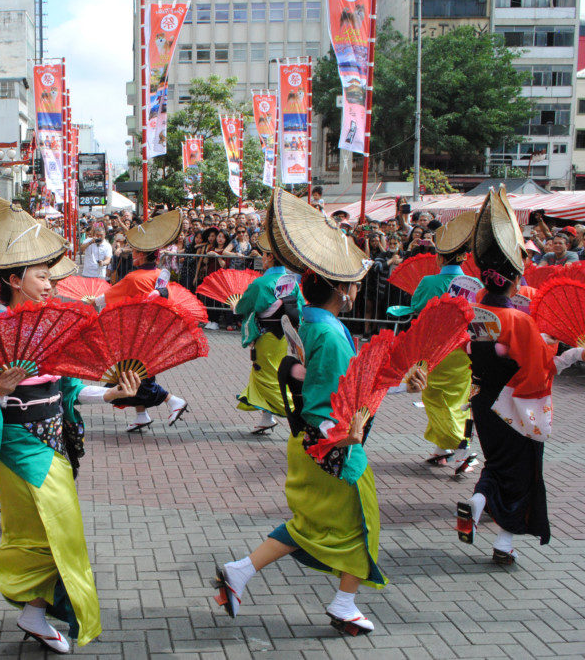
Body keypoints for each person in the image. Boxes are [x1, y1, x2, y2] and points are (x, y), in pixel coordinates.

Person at [215, 189, 426, 636]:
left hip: (306, 442)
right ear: (340, 290)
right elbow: (332, 395)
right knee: (360, 522)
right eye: (351, 284)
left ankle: (240, 572)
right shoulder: (328, 333)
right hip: (330, 444)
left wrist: (396, 376)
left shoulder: (308, 319)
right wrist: (345, 435)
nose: (355, 291)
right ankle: (345, 603)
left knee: (310, 524)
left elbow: (300, 371)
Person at [0, 187, 141, 653]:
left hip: (55, 439)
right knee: (66, 534)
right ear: (14, 279)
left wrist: (111, 393)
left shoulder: (53, 324)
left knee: (37, 535)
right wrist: (0, 389)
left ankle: (34, 614)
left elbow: (70, 388)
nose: (51, 283)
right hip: (15, 443)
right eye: (41, 275)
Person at [456, 187, 583, 566]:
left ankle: (477, 504)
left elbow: (474, 352)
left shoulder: (475, 311)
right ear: (512, 280)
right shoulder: (518, 319)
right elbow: (537, 367)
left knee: (496, 463)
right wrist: (570, 354)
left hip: (483, 398)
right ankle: (504, 544)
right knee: (524, 473)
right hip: (514, 404)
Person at [387, 210, 480, 474]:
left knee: (435, 397)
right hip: (463, 349)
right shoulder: (474, 283)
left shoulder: (429, 281)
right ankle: (443, 448)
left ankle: (463, 449)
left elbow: (417, 307)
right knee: (456, 398)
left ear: (439, 257)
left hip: (434, 350)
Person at [93, 210, 189, 431]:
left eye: (135, 251)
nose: (131, 253)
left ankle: (173, 400)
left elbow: (105, 297)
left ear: (143, 255)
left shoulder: (134, 278)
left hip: (134, 335)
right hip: (152, 333)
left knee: (130, 377)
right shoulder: (159, 276)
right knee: (141, 374)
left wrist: (91, 301)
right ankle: (142, 415)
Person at [234, 230, 303, 434]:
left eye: (263, 255)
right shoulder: (292, 282)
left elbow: (244, 306)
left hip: (267, 336)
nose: (261, 259)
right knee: (268, 372)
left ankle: (299, 413)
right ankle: (267, 417)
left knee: (268, 375)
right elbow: (300, 306)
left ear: (270, 257)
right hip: (285, 336)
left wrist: (236, 307)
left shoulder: (261, 283)